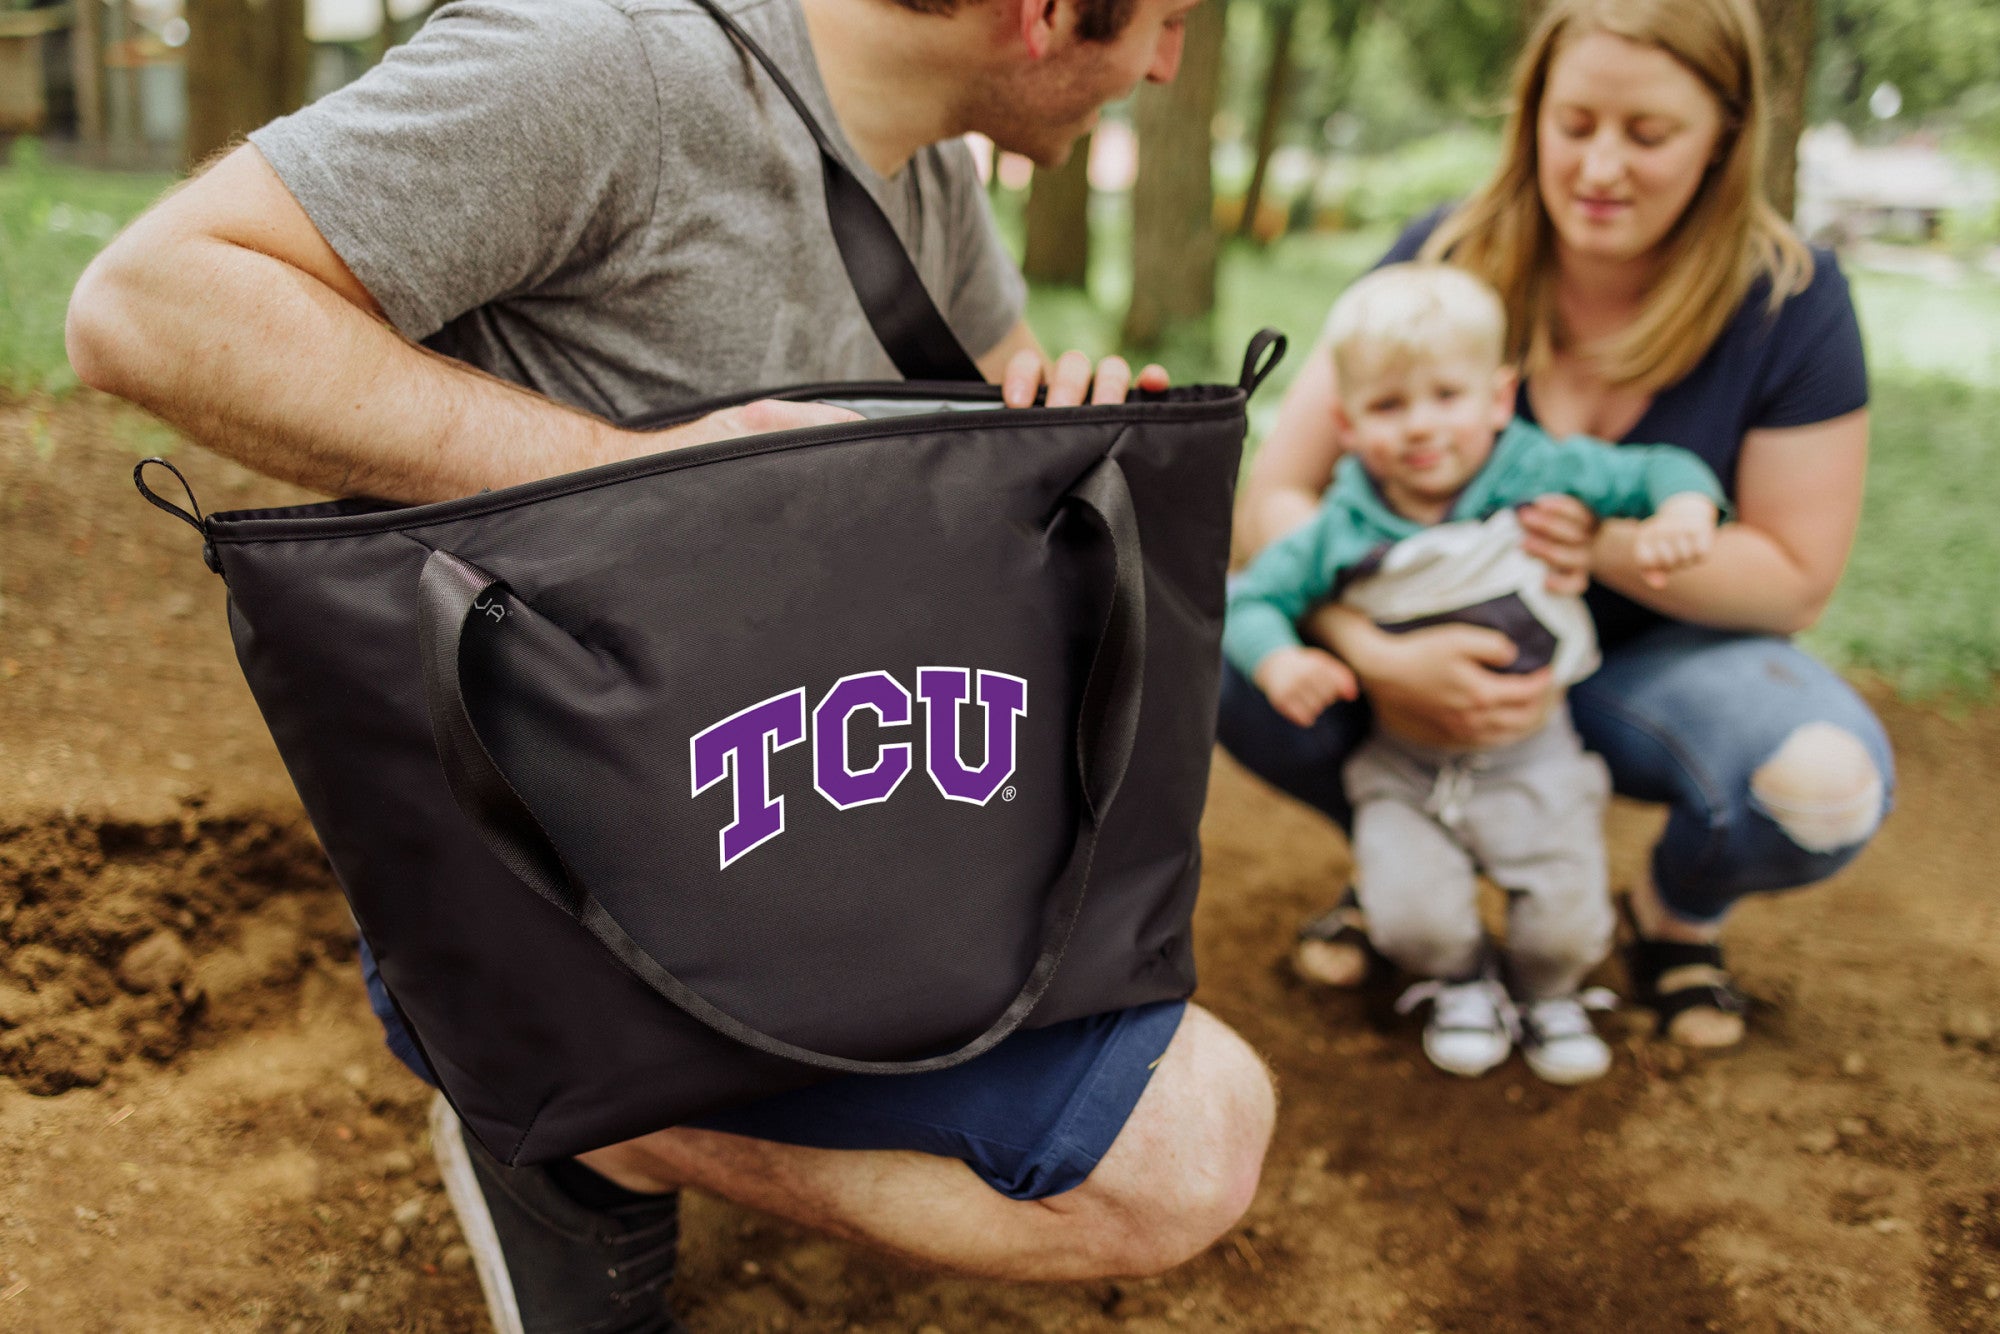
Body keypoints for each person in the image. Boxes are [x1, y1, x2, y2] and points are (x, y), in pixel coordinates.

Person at [65, 0, 1276, 1328]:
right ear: (1043, 13)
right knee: (1178, 1152)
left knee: (1191, 1128)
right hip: (564, 876)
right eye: (1163, 21)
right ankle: (583, 1120)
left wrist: (1053, 428)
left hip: (818, 811)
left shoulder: (929, 154)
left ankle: (637, 1112)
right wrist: (619, 477)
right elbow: (144, 305)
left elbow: (959, 460)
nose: (1169, 66)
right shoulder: (604, 58)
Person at [1220, 0, 1893, 1054]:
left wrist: (1600, 546)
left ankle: (1669, 916)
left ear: (1724, 130)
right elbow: (1275, 501)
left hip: (1651, 667)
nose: (1598, 166)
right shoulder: (1439, 255)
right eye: (1572, 123)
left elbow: (1792, 579)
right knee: (1222, 642)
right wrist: (1374, 646)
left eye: (1647, 134)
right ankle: (1409, 863)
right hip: (1415, 662)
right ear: (1530, 111)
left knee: (1822, 783)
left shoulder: (1789, 299)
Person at [1225, 261, 1724, 1084]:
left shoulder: (1536, 471)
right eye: (1389, 406)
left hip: (1537, 755)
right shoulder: (1345, 522)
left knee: (1565, 920)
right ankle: (1456, 982)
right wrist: (1279, 660)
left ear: (1498, 398)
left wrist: (1683, 511)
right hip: (1404, 764)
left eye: (1446, 397)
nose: (1421, 427)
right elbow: (1254, 600)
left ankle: (1549, 992)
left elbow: (1659, 467)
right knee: (1411, 916)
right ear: (1346, 424)